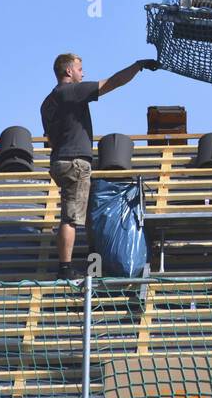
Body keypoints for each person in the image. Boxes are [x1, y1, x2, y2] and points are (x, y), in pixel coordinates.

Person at [41, 52, 158, 279]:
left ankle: (89, 262)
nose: (83, 73)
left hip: (59, 160)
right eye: (79, 69)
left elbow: (51, 138)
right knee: (71, 217)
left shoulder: (47, 103)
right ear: (68, 71)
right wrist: (137, 66)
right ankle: (65, 269)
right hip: (75, 162)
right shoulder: (72, 91)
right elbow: (111, 83)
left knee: (76, 214)